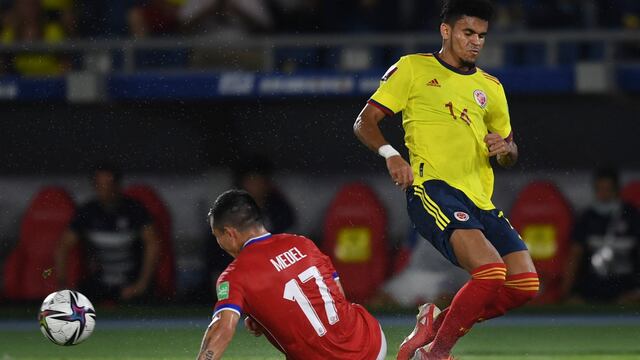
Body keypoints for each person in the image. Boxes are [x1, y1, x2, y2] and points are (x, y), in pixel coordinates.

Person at [353, 1, 539, 359]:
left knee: (525, 285)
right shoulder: (413, 68)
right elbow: (364, 122)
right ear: (446, 31)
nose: (476, 42)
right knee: (489, 272)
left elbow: (509, 153)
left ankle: (433, 324)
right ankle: (435, 353)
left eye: (482, 36)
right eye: (468, 33)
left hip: (481, 200)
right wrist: (391, 155)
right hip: (433, 189)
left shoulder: (491, 87)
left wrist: (506, 148)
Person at [196, 190, 386, 360]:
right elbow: (337, 295)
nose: (218, 243)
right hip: (371, 342)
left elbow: (223, 328)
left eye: (217, 236)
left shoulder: (233, 276)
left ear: (230, 233)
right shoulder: (303, 243)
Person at [55, 163, 161, 303]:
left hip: (131, 283)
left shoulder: (135, 210)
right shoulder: (87, 212)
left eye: (110, 184)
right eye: (100, 184)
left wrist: (141, 284)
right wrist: (62, 284)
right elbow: (63, 247)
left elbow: (153, 243)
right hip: (97, 285)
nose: (105, 189)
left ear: (118, 185)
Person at [563, 167, 640, 303]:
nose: (603, 194)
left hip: (625, 283)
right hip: (593, 283)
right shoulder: (586, 218)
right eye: (600, 189)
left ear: (617, 190)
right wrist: (565, 292)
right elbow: (575, 255)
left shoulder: (631, 215)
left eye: (608, 190)